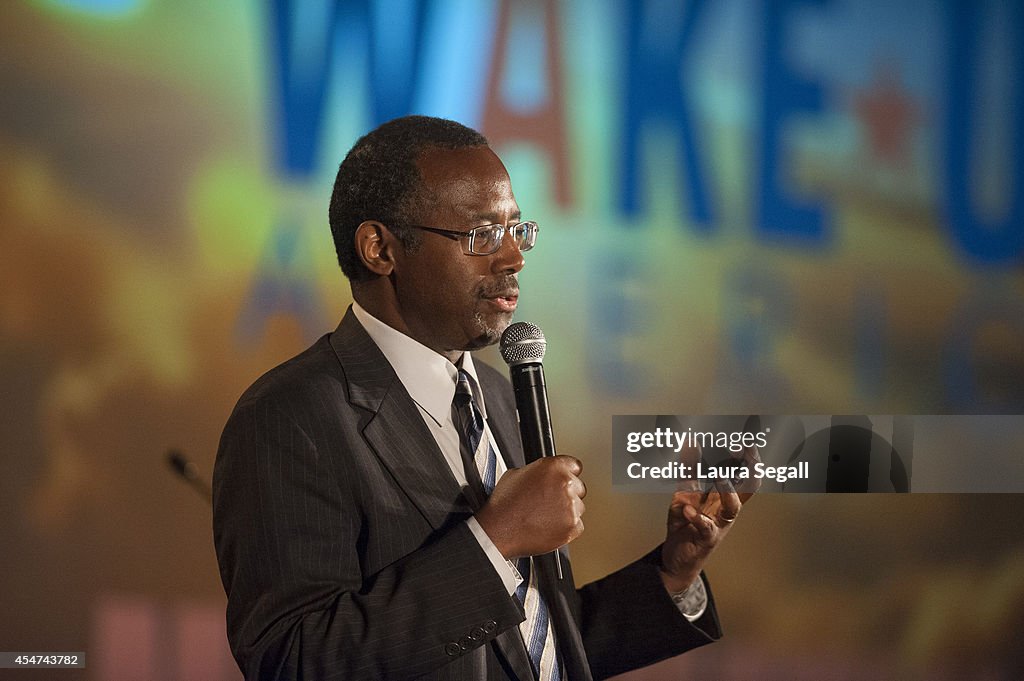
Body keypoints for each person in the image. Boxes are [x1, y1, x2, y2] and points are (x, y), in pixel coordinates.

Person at [213, 115, 746, 681]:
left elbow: (531, 645)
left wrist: (674, 574)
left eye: (518, 230)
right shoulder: (292, 416)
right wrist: (496, 538)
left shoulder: (501, 395)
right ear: (380, 248)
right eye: (482, 235)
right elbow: (293, 660)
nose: (514, 257)